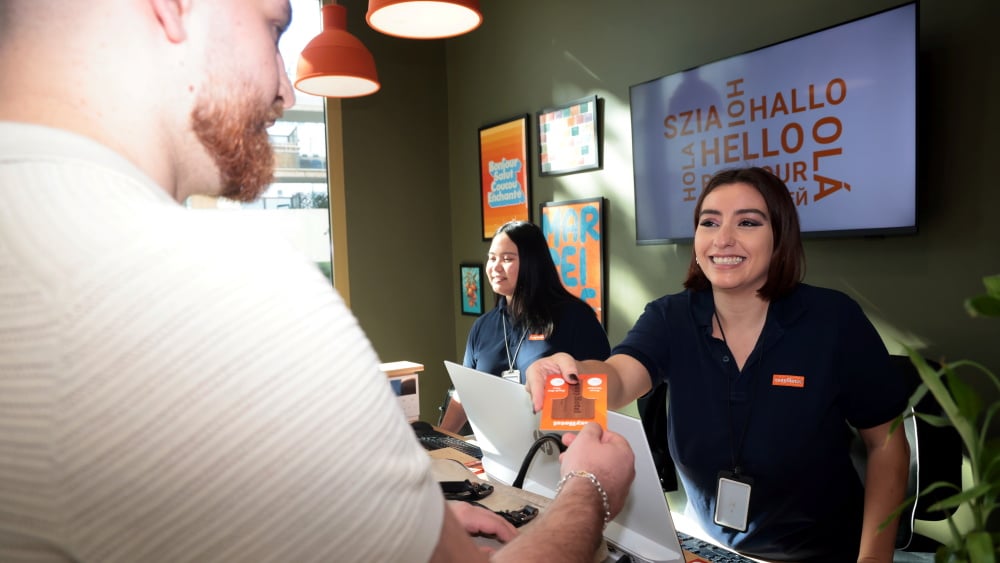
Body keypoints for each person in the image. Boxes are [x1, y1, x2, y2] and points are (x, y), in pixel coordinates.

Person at [0, 1, 636, 561]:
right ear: (171, 5)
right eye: (275, 26)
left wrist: (407, 525)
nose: (288, 90)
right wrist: (591, 492)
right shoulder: (239, 293)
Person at [527, 167, 911, 562]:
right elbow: (620, 377)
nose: (723, 238)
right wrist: (571, 371)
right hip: (707, 549)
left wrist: (873, 559)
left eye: (747, 222)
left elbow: (886, 443)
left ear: (780, 237)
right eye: (709, 222)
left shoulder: (834, 320)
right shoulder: (669, 317)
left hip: (822, 552)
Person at [439, 220, 610, 434]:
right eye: (492, 258)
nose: (495, 267)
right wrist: (440, 440)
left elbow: (601, 391)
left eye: (507, 259)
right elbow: (465, 392)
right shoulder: (482, 327)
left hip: (556, 449)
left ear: (533, 263)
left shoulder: (575, 317)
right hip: (497, 449)